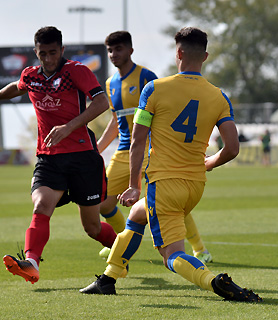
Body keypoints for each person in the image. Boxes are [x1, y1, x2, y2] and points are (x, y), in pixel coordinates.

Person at [80, 27, 262, 302]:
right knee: (136, 217)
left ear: (178, 52)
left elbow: (138, 141)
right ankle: (109, 277)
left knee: (171, 255)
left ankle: (214, 281)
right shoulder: (218, 96)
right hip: (195, 186)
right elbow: (233, 148)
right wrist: (210, 163)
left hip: (163, 185)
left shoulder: (154, 88)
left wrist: (132, 186)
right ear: (206, 56)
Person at [0, 26, 117, 284]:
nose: (48, 59)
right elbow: (17, 87)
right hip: (49, 158)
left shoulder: (77, 71)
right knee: (41, 205)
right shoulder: (31, 75)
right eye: (43, 53)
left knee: (92, 228)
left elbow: (101, 102)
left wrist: (69, 127)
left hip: (82, 157)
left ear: (62, 50)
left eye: (53, 53)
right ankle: (31, 263)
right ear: (35, 52)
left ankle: (122, 248)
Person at [96, 31, 213, 264]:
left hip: (153, 149)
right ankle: (121, 241)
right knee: (104, 203)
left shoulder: (146, 77)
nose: (113, 54)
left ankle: (199, 249)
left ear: (130, 50)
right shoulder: (110, 84)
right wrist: (96, 149)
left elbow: (166, 108)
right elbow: (115, 120)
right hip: (124, 151)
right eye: (110, 50)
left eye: (118, 49)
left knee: (170, 201)